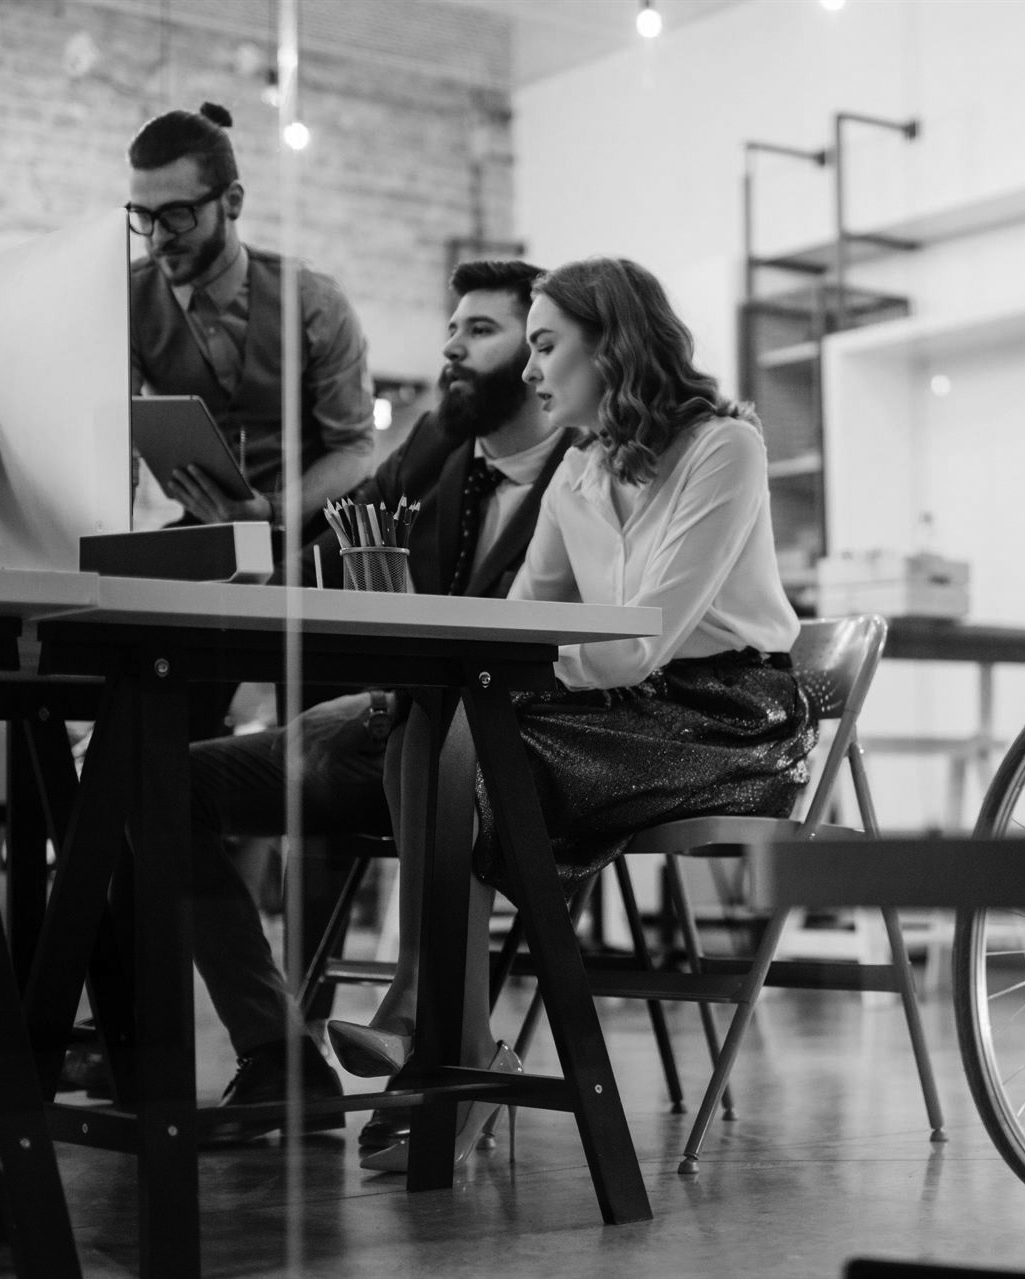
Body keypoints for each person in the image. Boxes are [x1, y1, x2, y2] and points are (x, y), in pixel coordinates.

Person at [335, 256, 818, 1173]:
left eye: (547, 345)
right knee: (428, 728)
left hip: (731, 722)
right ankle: (458, 1045)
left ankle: (444, 1044)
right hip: (625, 707)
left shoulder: (726, 446)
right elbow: (521, 617)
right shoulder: (581, 469)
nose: (528, 369)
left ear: (615, 345)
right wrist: (469, 665)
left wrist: (510, 665)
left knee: (476, 755)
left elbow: (646, 638)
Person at [174, 260, 575, 1141]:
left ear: (543, 353)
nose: (451, 347)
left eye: (483, 331)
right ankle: (280, 1056)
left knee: (436, 729)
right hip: (384, 722)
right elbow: (336, 527)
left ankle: (440, 1035)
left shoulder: (589, 470)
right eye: (451, 328)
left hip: (507, 748)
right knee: (158, 780)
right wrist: (248, 515)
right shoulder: (441, 443)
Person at [126, 102, 375, 536]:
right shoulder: (128, 299)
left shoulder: (314, 299)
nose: (159, 238)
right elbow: (111, 438)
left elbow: (353, 449)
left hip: (319, 533)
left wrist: (273, 511)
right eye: (144, 217)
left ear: (233, 202)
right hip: (203, 529)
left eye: (178, 215)